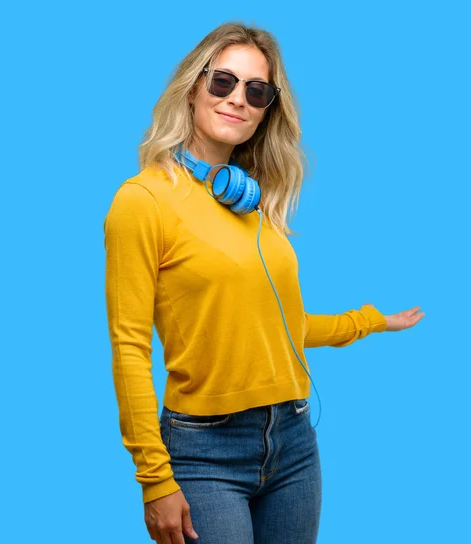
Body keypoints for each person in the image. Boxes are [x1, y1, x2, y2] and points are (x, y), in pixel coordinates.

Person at [103, 21, 424, 544]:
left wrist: (372, 322)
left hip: (294, 440)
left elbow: (277, 326)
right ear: (192, 86)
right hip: (205, 451)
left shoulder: (256, 208)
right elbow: (129, 348)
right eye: (223, 81)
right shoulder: (143, 202)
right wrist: (155, 479)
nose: (238, 99)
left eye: (257, 90)